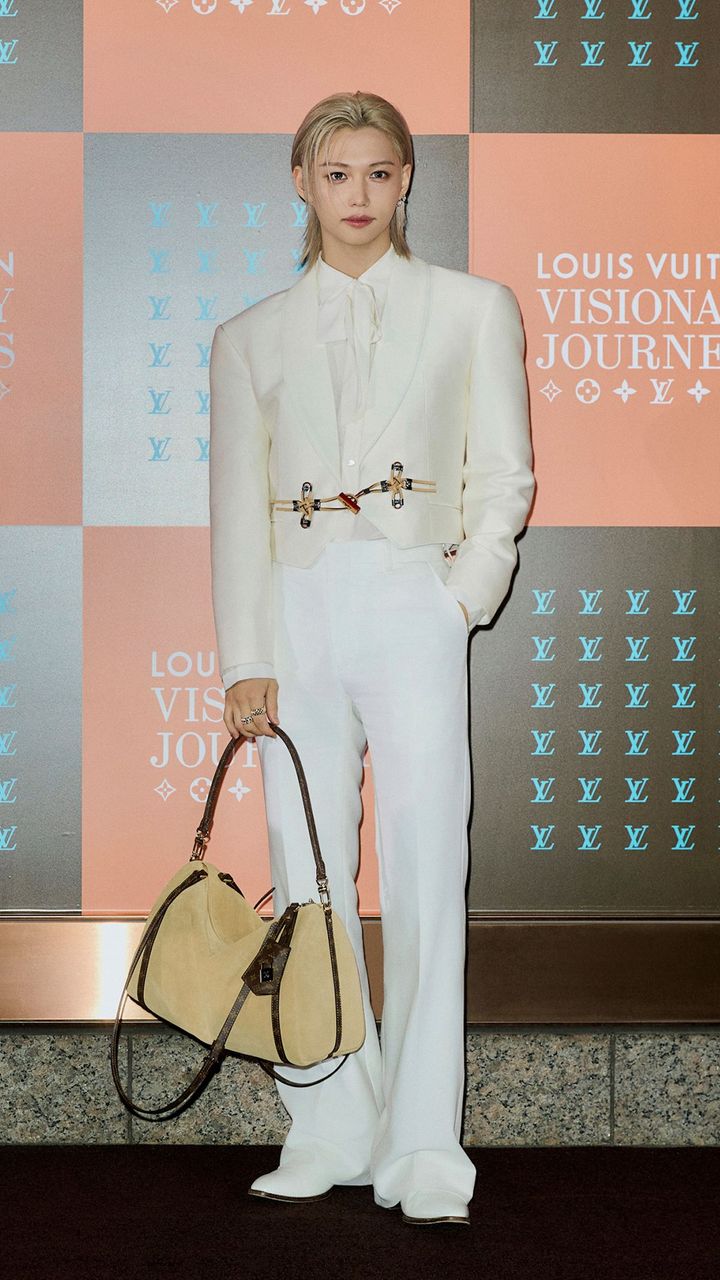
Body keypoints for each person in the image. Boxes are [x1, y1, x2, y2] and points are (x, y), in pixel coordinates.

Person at [208, 90, 535, 1227]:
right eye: (336, 172)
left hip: (412, 604)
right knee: (304, 874)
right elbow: (235, 511)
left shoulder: (473, 307)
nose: (358, 195)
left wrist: (458, 600)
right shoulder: (247, 336)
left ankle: (425, 1145)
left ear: (406, 181)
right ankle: (330, 1125)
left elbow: (504, 477)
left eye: (379, 172)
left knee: (428, 868)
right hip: (296, 613)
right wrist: (246, 653)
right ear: (301, 181)